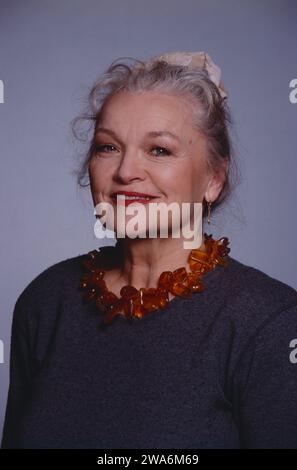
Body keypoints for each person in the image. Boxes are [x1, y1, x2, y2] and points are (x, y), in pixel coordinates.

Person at [2, 51, 297, 449]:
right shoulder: (46, 301)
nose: (125, 172)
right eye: (108, 147)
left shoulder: (269, 323)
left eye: (159, 150)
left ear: (214, 178)